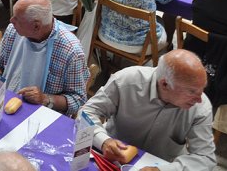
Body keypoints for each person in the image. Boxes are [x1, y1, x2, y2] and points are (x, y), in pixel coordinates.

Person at [80, 49, 216, 170]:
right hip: (112, 157)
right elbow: (86, 112)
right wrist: (103, 141)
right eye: (192, 91)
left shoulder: (200, 107)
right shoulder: (127, 81)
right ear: (165, 84)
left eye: (202, 89)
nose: (199, 99)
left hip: (163, 163)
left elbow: (205, 157)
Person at [0, 0, 89, 116]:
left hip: (42, 114)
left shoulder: (71, 51)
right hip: (4, 101)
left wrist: (45, 99)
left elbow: (78, 100)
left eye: (17, 19)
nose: (11, 21)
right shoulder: (13, 30)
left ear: (36, 26)